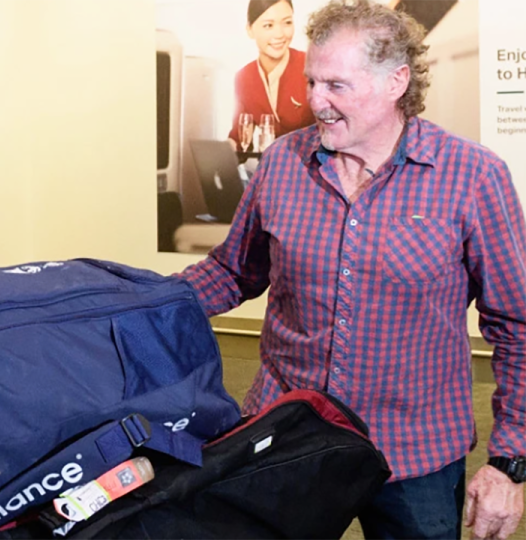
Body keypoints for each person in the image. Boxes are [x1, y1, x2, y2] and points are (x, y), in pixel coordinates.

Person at [183, 1, 526, 538]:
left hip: (415, 452)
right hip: (289, 434)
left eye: (335, 86)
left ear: (396, 82)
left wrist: (510, 460)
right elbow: (232, 273)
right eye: (311, 81)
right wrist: (129, 301)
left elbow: (518, 326)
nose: (314, 100)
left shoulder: (473, 176)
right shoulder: (281, 164)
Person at [227, 0, 316, 146]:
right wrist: (222, 152)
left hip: (316, 163)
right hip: (276, 165)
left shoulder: (311, 64)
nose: (280, 34)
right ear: (250, 30)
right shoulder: (244, 77)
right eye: (268, 25)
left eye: (287, 23)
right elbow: (240, 137)